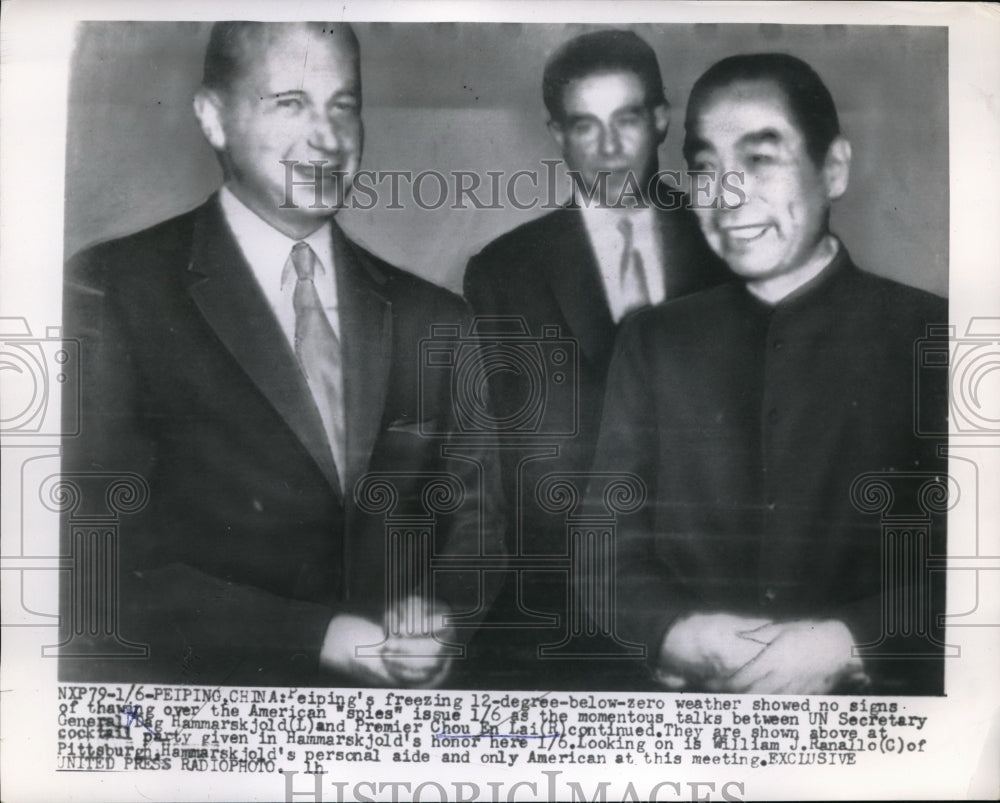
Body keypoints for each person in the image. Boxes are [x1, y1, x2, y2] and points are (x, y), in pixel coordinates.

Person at [60, 22, 504, 687]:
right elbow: (96, 556)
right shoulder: (114, 288)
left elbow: (481, 524)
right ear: (212, 117)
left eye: (343, 104)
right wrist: (320, 636)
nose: (327, 137)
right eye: (289, 103)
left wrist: (439, 614)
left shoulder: (434, 317)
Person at [593, 52, 948, 694]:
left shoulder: (936, 335)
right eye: (705, 169)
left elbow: (981, 558)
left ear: (833, 169)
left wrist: (849, 643)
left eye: (759, 159)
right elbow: (603, 557)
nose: (727, 197)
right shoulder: (652, 339)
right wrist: (676, 634)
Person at [461, 29, 728, 689]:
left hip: (719, 600)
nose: (609, 149)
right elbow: (512, 470)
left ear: (662, 120)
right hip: (567, 614)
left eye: (627, 120)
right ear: (557, 133)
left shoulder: (731, 248)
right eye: (586, 126)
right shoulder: (505, 271)